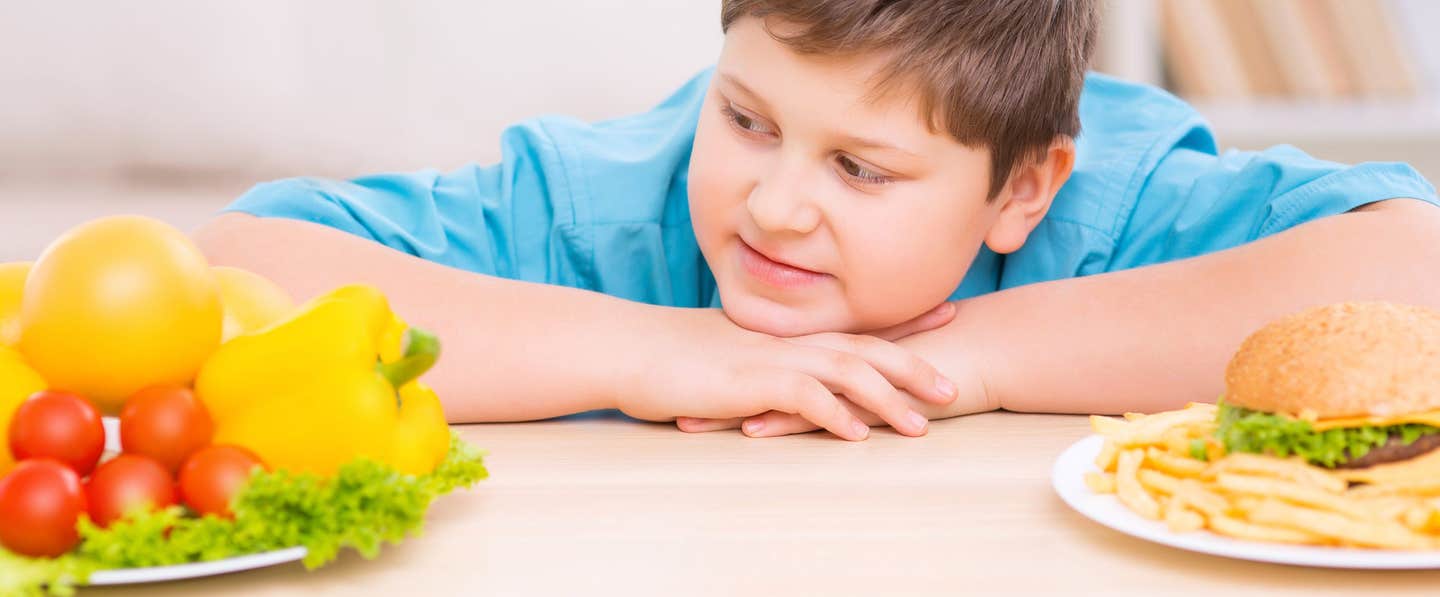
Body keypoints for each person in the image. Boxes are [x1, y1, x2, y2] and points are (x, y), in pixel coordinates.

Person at [193, 0, 1440, 441]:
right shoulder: (612, 205)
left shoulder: (1110, 203)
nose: (776, 204)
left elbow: (1417, 268)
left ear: (1021, 191)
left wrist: (974, 361)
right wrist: (660, 352)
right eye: (746, 120)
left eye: (863, 170)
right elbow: (235, 270)